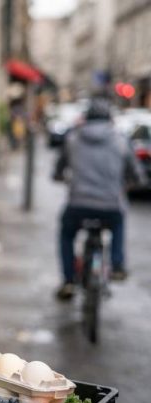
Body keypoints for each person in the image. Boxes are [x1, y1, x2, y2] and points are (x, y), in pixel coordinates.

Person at [53, 97, 144, 300]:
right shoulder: (121, 140)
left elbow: (59, 168)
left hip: (78, 204)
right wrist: (133, 182)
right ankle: (117, 264)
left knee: (66, 234)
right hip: (110, 205)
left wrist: (59, 176)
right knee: (118, 221)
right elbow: (136, 173)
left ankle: (68, 279)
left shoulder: (73, 138)